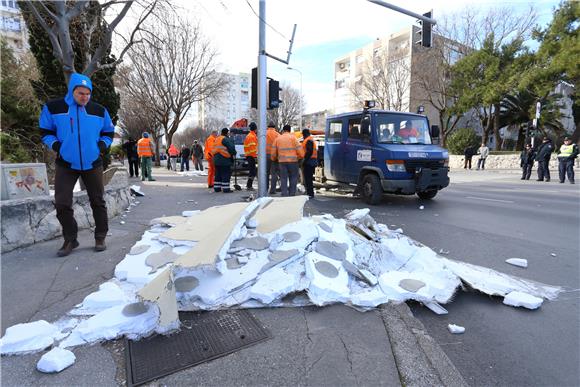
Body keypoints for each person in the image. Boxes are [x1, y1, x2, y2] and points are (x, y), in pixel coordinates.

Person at [39, 73, 114, 256]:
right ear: (72, 91)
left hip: (92, 163)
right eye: (81, 93)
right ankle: (70, 239)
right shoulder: (54, 108)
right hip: (66, 164)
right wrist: (57, 146)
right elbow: (45, 131)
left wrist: (101, 146)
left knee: (98, 201)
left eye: (88, 94)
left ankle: (100, 236)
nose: (84, 97)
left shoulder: (99, 110)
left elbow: (109, 132)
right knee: (62, 203)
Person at [272, 124, 304, 196]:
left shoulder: (278, 139)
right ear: (290, 130)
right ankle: (292, 193)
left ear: (283, 130)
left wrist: (274, 158)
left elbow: (273, 152)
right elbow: (300, 151)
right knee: (293, 177)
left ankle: (284, 193)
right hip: (293, 162)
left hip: (282, 162)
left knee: (283, 178)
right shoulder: (294, 138)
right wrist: (299, 157)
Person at [212, 128, 236, 193]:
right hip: (224, 159)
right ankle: (226, 189)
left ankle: (217, 188)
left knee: (218, 174)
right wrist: (234, 153)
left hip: (216, 160)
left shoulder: (217, 139)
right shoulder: (225, 139)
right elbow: (231, 148)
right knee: (226, 174)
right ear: (226, 133)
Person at [301, 129, 318, 198]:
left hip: (309, 161)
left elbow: (309, 151)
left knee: (308, 178)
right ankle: (309, 192)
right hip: (311, 160)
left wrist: (304, 160)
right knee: (308, 178)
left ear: (304, 134)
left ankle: (310, 193)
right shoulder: (310, 139)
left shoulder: (308, 140)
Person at [266, 122, 280, 194]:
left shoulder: (264, 133)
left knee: (266, 173)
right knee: (274, 173)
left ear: (268, 126)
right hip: (274, 156)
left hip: (265, 155)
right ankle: (273, 190)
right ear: (274, 127)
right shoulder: (277, 134)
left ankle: (265, 189)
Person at [244, 122, 258, 190]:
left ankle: (249, 185)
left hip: (249, 156)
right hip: (252, 156)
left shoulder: (249, 135)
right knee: (253, 171)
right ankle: (249, 185)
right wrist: (255, 157)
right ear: (255, 129)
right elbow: (253, 148)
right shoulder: (252, 136)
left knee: (252, 171)